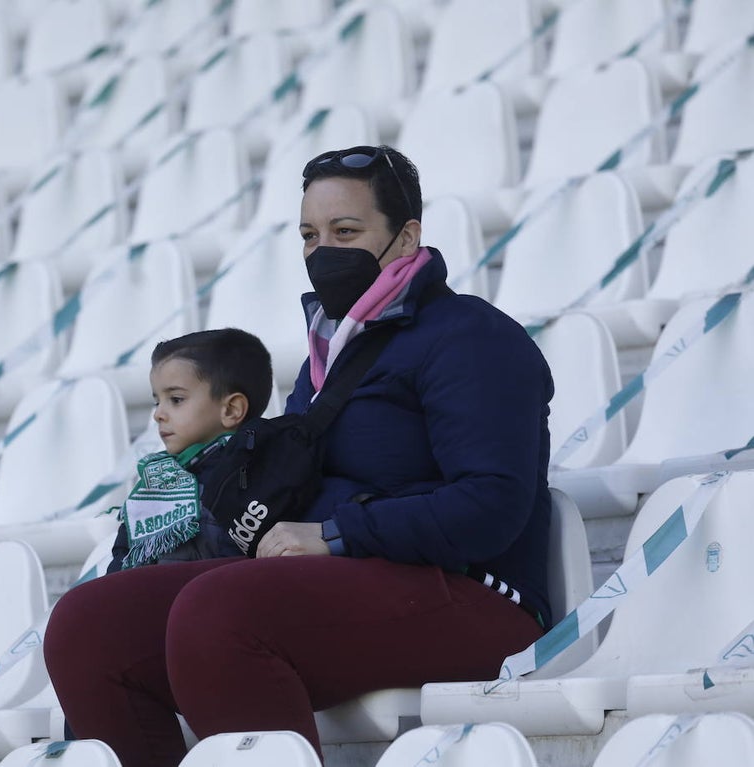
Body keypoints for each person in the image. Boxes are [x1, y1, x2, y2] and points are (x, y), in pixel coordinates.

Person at [44, 145, 554, 767]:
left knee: (220, 611)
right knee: (90, 626)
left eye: (346, 232)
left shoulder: (471, 337)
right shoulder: (326, 354)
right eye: (310, 236)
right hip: (340, 586)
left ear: (406, 236)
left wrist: (336, 536)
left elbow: (492, 506)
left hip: (472, 596)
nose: (324, 254)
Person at [109, 328, 273, 571]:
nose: (158, 414)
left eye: (176, 400)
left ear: (230, 410)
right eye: (157, 401)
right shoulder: (156, 480)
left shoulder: (253, 475)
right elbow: (121, 565)